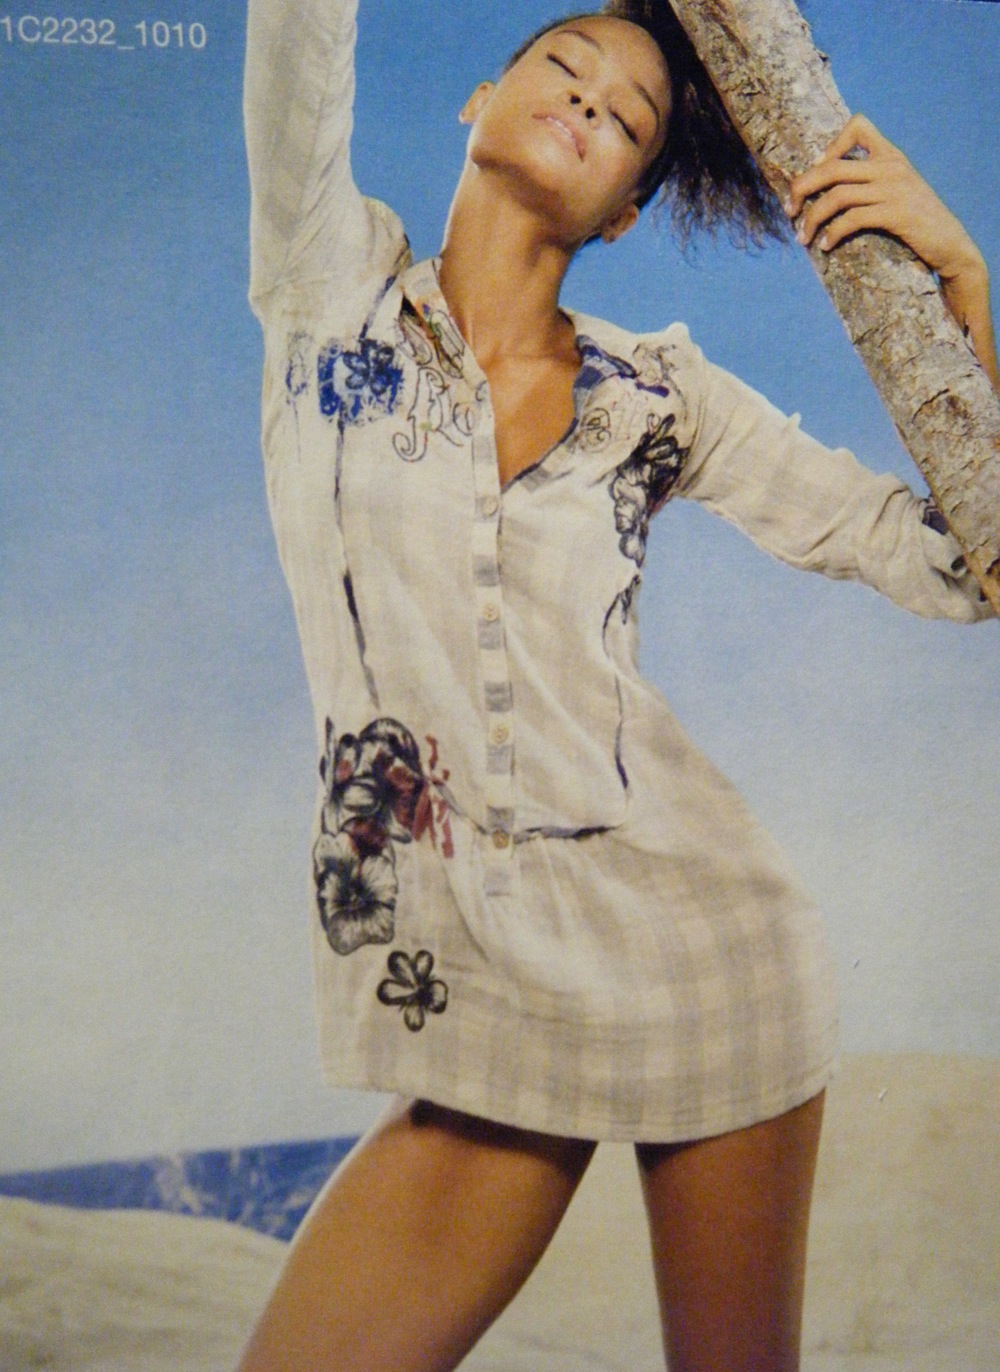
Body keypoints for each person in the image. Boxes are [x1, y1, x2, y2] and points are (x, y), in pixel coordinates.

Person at [239, 1, 996, 1368]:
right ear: (478, 97)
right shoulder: (327, 286)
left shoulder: (658, 397)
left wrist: (967, 289)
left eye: (629, 118)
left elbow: (960, 561)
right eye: (562, 67)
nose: (589, 101)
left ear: (627, 211)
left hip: (714, 966)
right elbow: (296, 43)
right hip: (490, 988)